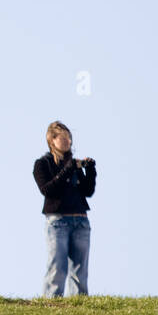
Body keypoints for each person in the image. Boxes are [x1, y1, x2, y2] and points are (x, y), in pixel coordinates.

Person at [33, 122, 96, 297]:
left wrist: (90, 172)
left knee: (80, 269)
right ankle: (52, 303)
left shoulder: (74, 166)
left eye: (69, 137)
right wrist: (68, 170)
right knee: (57, 267)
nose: (68, 141)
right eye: (64, 137)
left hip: (81, 220)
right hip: (58, 222)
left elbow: (87, 191)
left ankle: (80, 305)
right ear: (52, 140)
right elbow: (48, 190)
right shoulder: (42, 164)